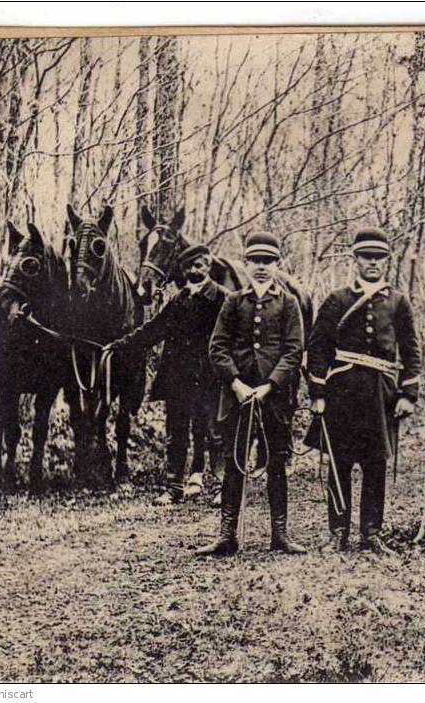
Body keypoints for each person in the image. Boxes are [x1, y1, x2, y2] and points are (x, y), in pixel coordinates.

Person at [306, 228, 421, 555]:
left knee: (375, 465)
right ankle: (337, 533)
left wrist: (407, 394)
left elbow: (411, 351)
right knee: (339, 464)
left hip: (380, 394)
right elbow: (317, 348)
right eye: (366, 256)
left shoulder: (398, 301)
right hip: (342, 393)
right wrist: (318, 392)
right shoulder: (337, 299)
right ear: (355, 259)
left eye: (379, 257)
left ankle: (371, 534)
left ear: (386, 260)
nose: (373, 262)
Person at [195, 231, 306, 556]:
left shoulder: (288, 303)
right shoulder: (233, 302)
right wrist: (236, 384)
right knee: (234, 463)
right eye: (255, 261)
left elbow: (293, 350)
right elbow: (217, 347)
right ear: (246, 264)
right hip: (237, 397)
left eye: (267, 261)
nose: (261, 267)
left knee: (276, 463)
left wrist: (270, 384)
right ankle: (226, 536)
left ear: (277, 264)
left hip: (275, 398)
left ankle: (280, 536)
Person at [105, 244, 228, 505]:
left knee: (216, 433)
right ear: (183, 270)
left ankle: (222, 487)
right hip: (178, 379)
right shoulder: (178, 300)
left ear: (208, 267)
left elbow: (236, 340)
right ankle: (174, 487)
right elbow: (152, 330)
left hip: (212, 379)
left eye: (200, 265)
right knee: (176, 432)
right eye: (189, 266)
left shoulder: (223, 299)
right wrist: (120, 345)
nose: (194, 270)